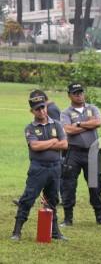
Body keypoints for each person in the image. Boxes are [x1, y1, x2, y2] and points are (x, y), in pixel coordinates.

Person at [10, 91, 69, 241]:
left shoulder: (56, 124)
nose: (42, 111)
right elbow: (35, 146)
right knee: (28, 199)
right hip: (38, 168)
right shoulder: (30, 128)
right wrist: (53, 142)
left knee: (52, 200)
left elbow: (64, 144)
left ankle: (55, 232)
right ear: (32, 111)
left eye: (43, 107)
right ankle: (17, 231)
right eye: (38, 109)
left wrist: (49, 144)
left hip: (55, 167)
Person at [60, 83, 101, 227]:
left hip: (93, 151)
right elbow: (68, 130)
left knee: (95, 185)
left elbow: (98, 122)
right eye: (75, 93)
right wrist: (88, 124)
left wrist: (79, 125)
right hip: (73, 152)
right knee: (69, 184)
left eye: (81, 92)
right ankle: (68, 219)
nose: (79, 95)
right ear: (69, 95)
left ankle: (100, 218)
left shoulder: (92, 108)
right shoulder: (65, 113)